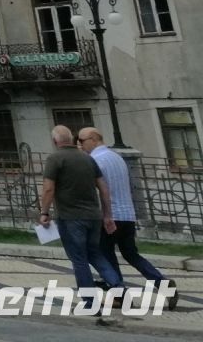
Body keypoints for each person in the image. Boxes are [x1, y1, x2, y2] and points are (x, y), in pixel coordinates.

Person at [79, 127, 174, 309]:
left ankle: (120, 294)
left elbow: (95, 190)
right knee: (131, 254)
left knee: (106, 255)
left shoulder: (95, 161)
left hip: (110, 216)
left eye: (82, 141)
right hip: (127, 214)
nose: (80, 145)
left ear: (93, 139)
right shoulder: (117, 158)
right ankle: (161, 282)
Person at [40, 123, 124, 321]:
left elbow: (49, 189)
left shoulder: (55, 159)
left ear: (54, 141)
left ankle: (89, 303)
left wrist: (44, 212)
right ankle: (117, 284)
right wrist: (107, 215)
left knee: (79, 259)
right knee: (94, 253)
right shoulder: (88, 158)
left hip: (70, 217)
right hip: (93, 216)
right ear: (72, 139)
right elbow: (103, 188)